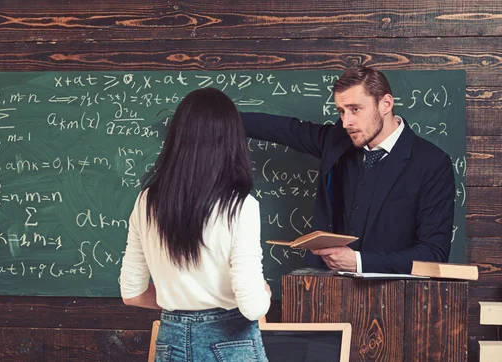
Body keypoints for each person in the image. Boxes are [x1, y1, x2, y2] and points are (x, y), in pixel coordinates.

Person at [241, 65, 455, 274]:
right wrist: (222, 119)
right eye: (341, 112)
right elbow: (288, 130)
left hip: (398, 296)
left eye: (355, 109)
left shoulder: (432, 163)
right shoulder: (338, 141)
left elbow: (433, 253)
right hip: (330, 288)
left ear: (386, 104)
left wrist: (359, 262)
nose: (346, 122)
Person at [120, 87, 271, 361]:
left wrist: (182, 301)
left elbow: (132, 293)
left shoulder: (146, 202)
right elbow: (252, 307)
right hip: (230, 343)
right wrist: (264, 294)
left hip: (170, 341)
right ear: (231, 140)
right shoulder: (240, 206)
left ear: (177, 137)